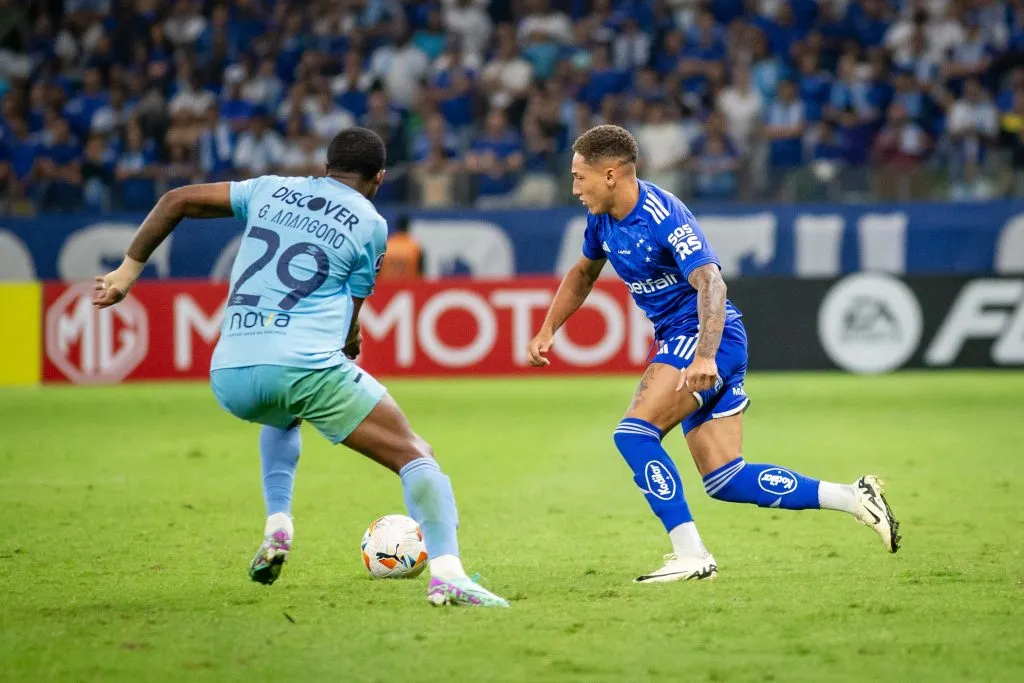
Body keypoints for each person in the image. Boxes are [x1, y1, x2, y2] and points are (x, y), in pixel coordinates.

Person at [93, 127, 508, 608]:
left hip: (229, 371)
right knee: (415, 454)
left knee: (283, 412)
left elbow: (176, 200)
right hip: (302, 366)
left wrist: (126, 273)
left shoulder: (268, 188)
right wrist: (350, 341)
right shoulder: (370, 223)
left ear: (325, 168)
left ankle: (278, 526)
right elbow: (351, 319)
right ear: (379, 177)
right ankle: (449, 575)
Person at [527, 125, 901, 583]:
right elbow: (583, 274)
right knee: (725, 479)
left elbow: (711, 282)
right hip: (691, 340)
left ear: (610, 175)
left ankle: (691, 554)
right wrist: (548, 328)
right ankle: (854, 497)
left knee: (634, 434)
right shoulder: (601, 219)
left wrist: (703, 356)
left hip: (705, 337)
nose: (574, 189)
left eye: (579, 177)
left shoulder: (663, 215)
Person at [379, 214, 424, 279]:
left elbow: (377, 270)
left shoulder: (386, 245)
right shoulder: (415, 247)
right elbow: (421, 274)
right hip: (408, 284)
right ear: (408, 227)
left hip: (387, 284)